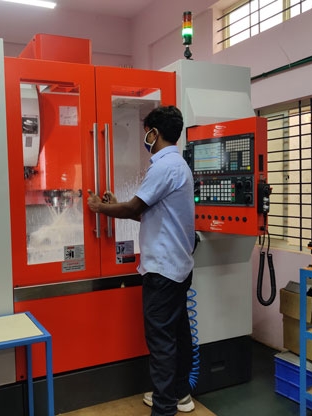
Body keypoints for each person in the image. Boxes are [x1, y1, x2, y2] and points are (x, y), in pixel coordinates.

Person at [87, 105, 195, 416]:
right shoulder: (179, 164)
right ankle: (180, 394)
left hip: (162, 270)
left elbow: (134, 207)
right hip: (178, 267)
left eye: (146, 132)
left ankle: (164, 409)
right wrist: (115, 206)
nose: (144, 138)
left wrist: (99, 207)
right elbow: (147, 212)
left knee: (161, 343)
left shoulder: (164, 166)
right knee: (178, 335)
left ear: (155, 133)